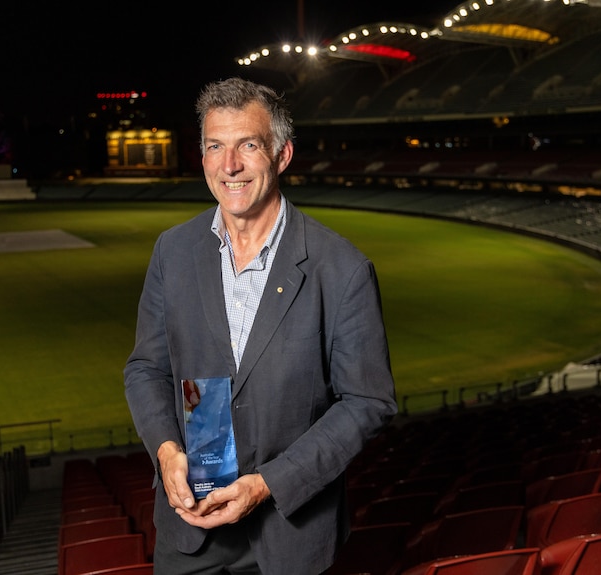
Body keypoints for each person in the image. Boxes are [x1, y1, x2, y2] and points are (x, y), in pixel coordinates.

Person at [123, 77, 398, 575]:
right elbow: (146, 368)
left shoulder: (343, 268)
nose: (230, 165)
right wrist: (166, 451)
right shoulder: (173, 251)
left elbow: (368, 402)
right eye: (215, 147)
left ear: (282, 154)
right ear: (202, 155)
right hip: (190, 535)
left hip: (291, 539)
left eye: (247, 145)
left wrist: (266, 484)